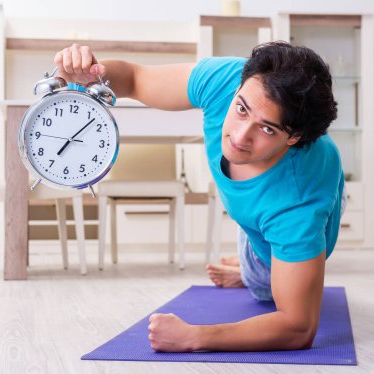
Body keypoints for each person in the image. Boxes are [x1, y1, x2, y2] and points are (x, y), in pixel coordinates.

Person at [54, 41, 344, 352]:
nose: (240, 136)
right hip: (257, 212)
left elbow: (298, 327)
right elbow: (136, 78)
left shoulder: (297, 203)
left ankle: (246, 270)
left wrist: (195, 337)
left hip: (276, 233)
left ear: (294, 137)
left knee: (263, 284)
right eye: (241, 109)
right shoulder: (229, 80)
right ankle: (243, 260)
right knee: (253, 235)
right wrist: (92, 75)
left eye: (268, 129)